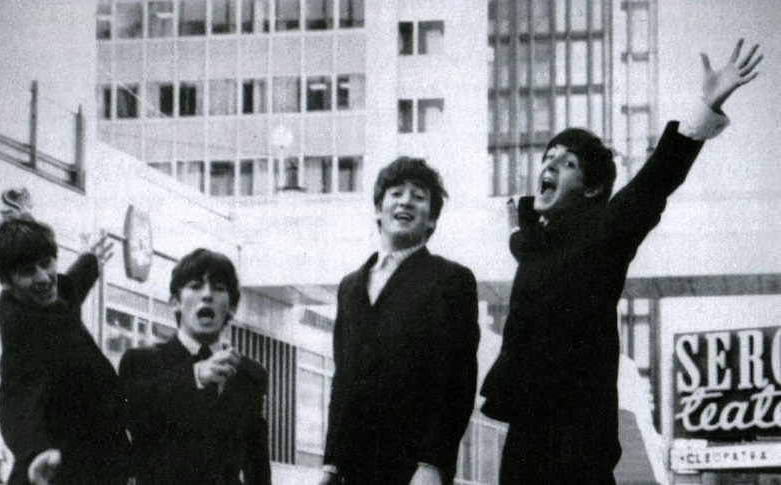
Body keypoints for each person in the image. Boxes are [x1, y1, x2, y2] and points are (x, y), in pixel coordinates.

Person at [479, 39, 763, 485]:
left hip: (576, 445)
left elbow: (654, 183)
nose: (550, 166)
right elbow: (529, 253)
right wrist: (520, 225)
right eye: (547, 159)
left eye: (567, 162)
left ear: (592, 189)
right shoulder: (540, 245)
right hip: (526, 438)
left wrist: (704, 106)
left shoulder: (603, 233)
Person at [319, 157, 480, 485]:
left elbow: (457, 380)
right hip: (354, 468)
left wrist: (433, 462)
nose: (406, 201)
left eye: (419, 196)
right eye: (396, 193)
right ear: (378, 209)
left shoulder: (450, 280)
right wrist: (331, 464)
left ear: (431, 219)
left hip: (414, 468)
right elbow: (343, 379)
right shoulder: (350, 286)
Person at [0, 215, 129, 485]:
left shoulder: (49, 306)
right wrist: (34, 454)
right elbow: (16, 401)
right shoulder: (23, 334)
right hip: (60, 473)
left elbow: (68, 288)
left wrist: (90, 262)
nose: (43, 277)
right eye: (28, 271)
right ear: (7, 281)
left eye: (46, 263)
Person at [119, 248, 271, 485]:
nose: (207, 295)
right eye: (195, 285)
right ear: (175, 302)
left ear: (231, 307)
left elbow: (257, 462)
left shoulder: (249, 374)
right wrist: (195, 376)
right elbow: (137, 419)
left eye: (219, 288)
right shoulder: (141, 362)